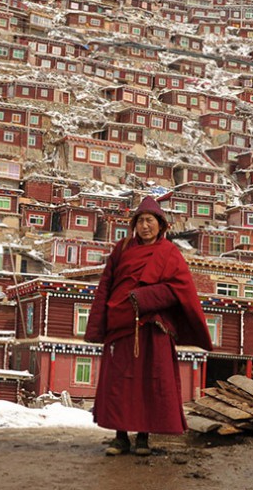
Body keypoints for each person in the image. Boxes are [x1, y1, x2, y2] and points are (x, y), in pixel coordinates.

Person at [84, 196, 212, 457]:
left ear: (161, 225)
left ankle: (143, 438)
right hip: (120, 323)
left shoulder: (169, 254)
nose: (145, 226)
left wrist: (145, 299)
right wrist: (99, 324)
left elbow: (182, 289)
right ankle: (120, 438)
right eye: (140, 221)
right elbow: (105, 286)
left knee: (148, 381)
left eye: (150, 221)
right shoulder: (121, 250)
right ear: (134, 225)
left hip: (153, 326)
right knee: (119, 383)